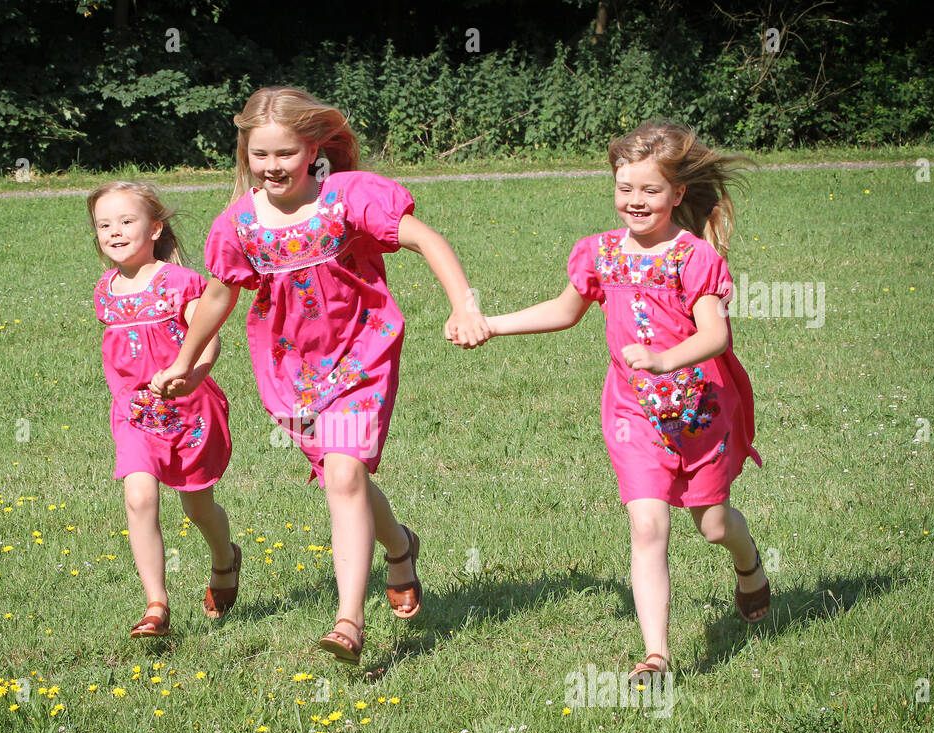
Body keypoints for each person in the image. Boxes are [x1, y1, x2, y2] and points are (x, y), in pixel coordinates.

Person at [150, 86, 488, 665]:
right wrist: (183, 363)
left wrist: (464, 304)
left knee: (343, 477)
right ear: (245, 154)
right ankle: (400, 546)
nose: (272, 166)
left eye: (285, 153)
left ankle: (348, 621)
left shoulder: (348, 196)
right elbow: (217, 296)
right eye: (260, 155)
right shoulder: (238, 225)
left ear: (312, 149)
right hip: (290, 370)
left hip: (362, 351)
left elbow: (425, 238)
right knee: (342, 475)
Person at [453, 120, 769, 682]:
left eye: (650, 190)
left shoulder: (694, 256)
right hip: (634, 414)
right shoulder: (599, 253)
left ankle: (749, 566)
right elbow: (564, 310)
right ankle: (657, 655)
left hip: (701, 412)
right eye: (625, 188)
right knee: (647, 525)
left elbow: (714, 335)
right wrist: (490, 324)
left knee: (714, 525)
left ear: (677, 194)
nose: (635, 201)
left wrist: (666, 358)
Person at [88, 181, 239, 639]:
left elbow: (208, 337)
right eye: (103, 224)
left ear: (155, 228)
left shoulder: (180, 283)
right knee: (138, 497)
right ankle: (157, 605)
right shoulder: (104, 290)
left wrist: (190, 374)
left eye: (126, 221)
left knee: (197, 507)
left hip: (190, 414)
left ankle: (225, 560)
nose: (114, 231)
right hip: (135, 414)